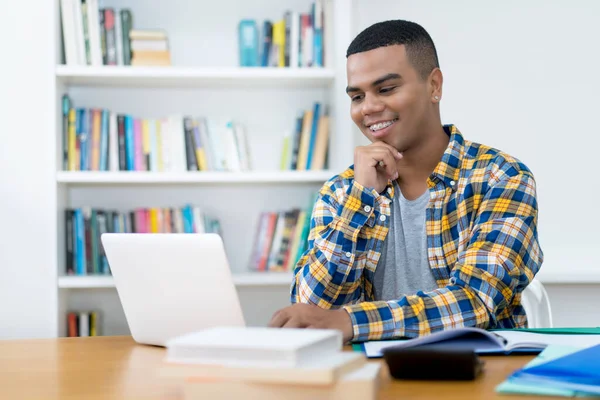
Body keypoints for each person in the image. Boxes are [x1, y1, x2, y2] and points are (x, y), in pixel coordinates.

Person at [268, 19, 543, 343]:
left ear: (434, 86)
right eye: (357, 96)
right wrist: (360, 199)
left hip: (477, 380)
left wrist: (352, 323)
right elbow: (313, 311)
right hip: (367, 382)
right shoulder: (342, 192)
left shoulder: (501, 178)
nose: (368, 108)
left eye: (386, 89)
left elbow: (475, 303)